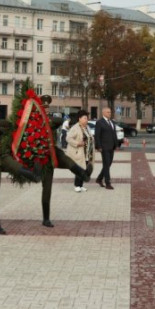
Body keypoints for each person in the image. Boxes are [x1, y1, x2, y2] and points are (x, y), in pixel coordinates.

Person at [0, 99, 41, 234]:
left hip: (1, 155)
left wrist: (20, 123)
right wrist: (6, 122)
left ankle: (34, 176)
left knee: (16, 166)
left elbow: (7, 130)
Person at [39, 95, 92, 226]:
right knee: (47, 189)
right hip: (42, 156)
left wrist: (48, 118)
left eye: (47, 109)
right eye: (43, 108)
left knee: (69, 161)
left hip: (54, 151)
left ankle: (83, 175)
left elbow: (58, 121)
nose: (46, 111)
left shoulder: (50, 121)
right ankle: (46, 219)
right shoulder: (35, 122)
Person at [66, 110, 95, 193]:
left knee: (84, 169)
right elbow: (68, 138)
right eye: (85, 118)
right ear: (79, 119)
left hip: (87, 153)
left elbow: (90, 138)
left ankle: (81, 185)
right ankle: (77, 185)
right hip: (79, 153)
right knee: (79, 169)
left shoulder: (87, 127)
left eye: (87, 118)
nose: (87, 120)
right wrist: (78, 143)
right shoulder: (75, 128)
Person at [95, 107, 117, 190]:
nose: (110, 113)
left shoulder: (112, 122)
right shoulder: (99, 122)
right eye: (108, 112)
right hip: (104, 147)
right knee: (106, 165)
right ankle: (108, 183)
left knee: (108, 164)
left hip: (111, 146)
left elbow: (114, 134)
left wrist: (116, 144)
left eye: (110, 112)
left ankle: (99, 179)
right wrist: (98, 146)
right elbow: (97, 136)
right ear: (103, 113)